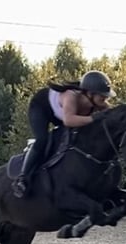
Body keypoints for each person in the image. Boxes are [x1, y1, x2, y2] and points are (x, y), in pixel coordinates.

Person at [12, 70, 116, 198]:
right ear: (90, 93)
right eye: (102, 96)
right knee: (42, 140)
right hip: (42, 108)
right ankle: (22, 178)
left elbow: (112, 115)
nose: (105, 99)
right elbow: (68, 121)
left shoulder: (97, 102)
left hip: (62, 115)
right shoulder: (70, 96)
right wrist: (94, 118)